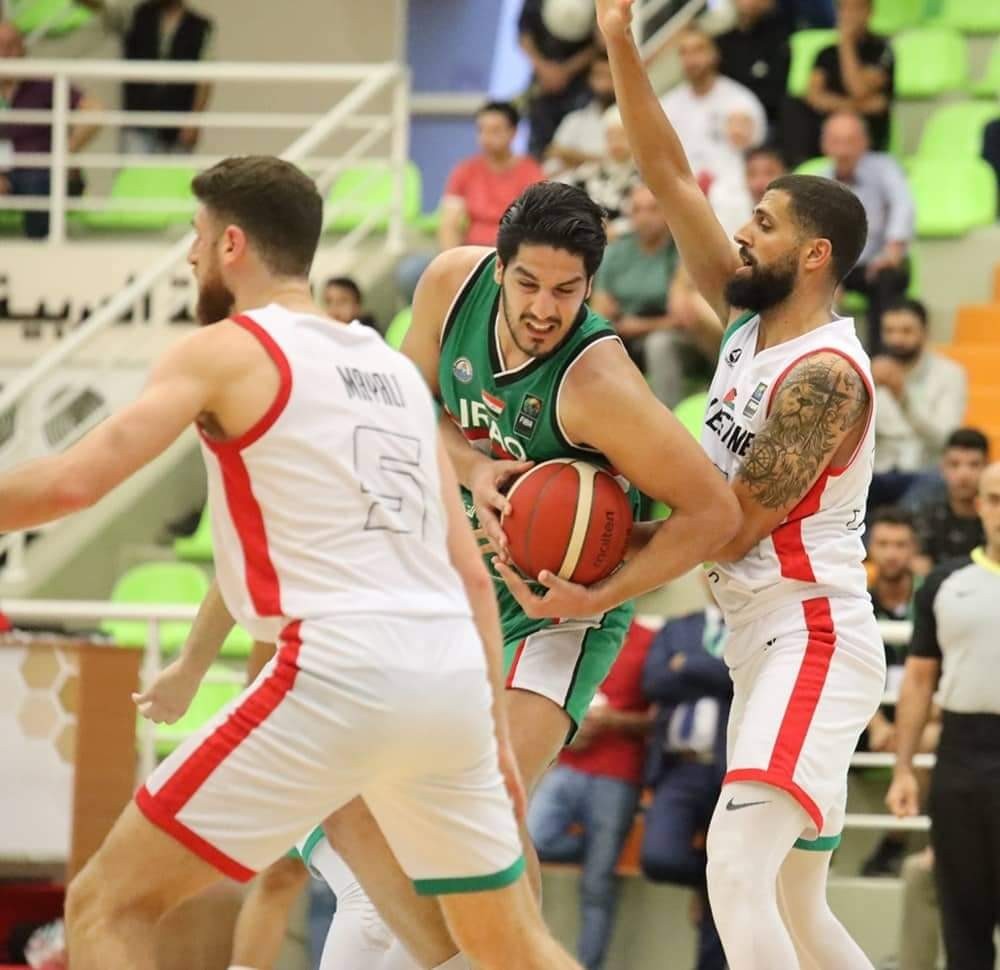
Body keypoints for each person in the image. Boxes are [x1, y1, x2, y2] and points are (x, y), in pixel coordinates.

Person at [0, 154, 583, 970]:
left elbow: (72, 483)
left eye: (197, 237)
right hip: (448, 674)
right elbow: (469, 576)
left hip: (339, 668)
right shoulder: (390, 369)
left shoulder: (224, 350)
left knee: (107, 905)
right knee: (503, 946)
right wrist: (489, 736)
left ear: (232, 243)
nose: (190, 256)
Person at [597, 1, 883, 966]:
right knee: (800, 908)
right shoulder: (747, 321)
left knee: (734, 868)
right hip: (759, 637)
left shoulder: (824, 377)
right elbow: (670, 174)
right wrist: (622, 43)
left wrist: (600, 578)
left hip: (810, 632)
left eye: (763, 223)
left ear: (814, 255)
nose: (742, 232)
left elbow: (729, 526)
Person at [887, 462, 1000, 970]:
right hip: (961, 755)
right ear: (978, 505)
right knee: (963, 915)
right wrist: (904, 768)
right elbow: (918, 680)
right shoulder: (944, 583)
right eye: (994, 499)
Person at [528, 622, 654, 970]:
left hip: (619, 774)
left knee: (597, 887)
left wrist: (614, 722)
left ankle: (589, 965)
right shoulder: (576, 628)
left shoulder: (650, 642)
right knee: (531, 841)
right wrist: (567, 728)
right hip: (568, 766)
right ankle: (600, 852)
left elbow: (662, 716)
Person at [640, 590, 730, 970]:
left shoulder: (754, 626)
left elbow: (745, 679)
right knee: (659, 858)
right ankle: (708, 881)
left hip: (732, 770)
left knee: (726, 883)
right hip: (679, 769)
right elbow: (654, 682)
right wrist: (716, 672)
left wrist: (687, 665)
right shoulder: (678, 627)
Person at [818, 112, 913, 353]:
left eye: (850, 141)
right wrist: (829, 272)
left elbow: (903, 205)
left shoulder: (885, 168)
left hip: (878, 260)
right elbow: (812, 229)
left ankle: (881, 357)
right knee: (810, 283)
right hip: (836, 264)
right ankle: (824, 356)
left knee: (887, 278)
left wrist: (893, 250)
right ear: (825, 145)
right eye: (836, 141)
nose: (843, 150)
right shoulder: (819, 179)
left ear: (864, 142)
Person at [0, 22, 102, 238]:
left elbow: (94, 110)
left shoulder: (44, 84)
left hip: (39, 170)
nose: (5, 53)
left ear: (23, 49)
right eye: (0, 46)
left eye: (11, 46)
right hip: (5, 171)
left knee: (39, 181)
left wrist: (67, 151)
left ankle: (41, 246)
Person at [589, 182, 685, 405]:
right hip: (625, 333)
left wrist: (638, 325)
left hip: (674, 336)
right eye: (637, 210)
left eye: (652, 209)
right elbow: (599, 311)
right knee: (598, 340)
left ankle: (666, 417)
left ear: (667, 212)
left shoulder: (679, 252)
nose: (644, 217)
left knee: (659, 344)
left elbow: (684, 318)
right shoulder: (615, 252)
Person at [80, 0, 214, 154]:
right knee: (134, 168)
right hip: (137, 122)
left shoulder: (201, 26)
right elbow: (105, 10)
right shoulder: (136, 14)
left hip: (177, 123)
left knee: (175, 169)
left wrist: (194, 120)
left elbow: (205, 79)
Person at [870, 299, 968, 510]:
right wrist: (863, 396)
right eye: (890, 331)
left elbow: (945, 438)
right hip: (875, 470)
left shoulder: (950, 374)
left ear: (925, 332)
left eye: (906, 331)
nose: (896, 339)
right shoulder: (870, 370)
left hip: (923, 470)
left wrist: (902, 398)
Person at [784, 0, 894, 166]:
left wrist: (846, 44)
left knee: (853, 121)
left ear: (869, 12)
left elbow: (858, 89)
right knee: (792, 105)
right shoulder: (825, 53)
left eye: (855, 9)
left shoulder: (881, 49)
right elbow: (814, 96)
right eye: (843, 10)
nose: (848, 16)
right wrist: (857, 105)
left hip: (866, 125)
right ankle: (798, 164)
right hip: (828, 122)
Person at [658, 26, 767, 193]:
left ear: (714, 54)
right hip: (681, 190)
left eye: (698, 50)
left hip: (731, 190)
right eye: (684, 52)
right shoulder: (667, 104)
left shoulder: (740, 101)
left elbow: (753, 153)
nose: (691, 59)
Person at [438, 102, 545, 252]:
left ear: (513, 132)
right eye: (481, 130)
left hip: (514, 254)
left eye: (495, 130)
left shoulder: (531, 172)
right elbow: (449, 223)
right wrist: (451, 257)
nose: (486, 137)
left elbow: (538, 227)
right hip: (472, 252)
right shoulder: (465, 170)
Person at [518, 0, 598, 158]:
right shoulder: (534, 5)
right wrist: (543, 68)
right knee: (538, 145)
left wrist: (566, 71)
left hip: (580, 82)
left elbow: (600, 41)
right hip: (543, 81)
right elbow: (524, 32)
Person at [913, 428, 989, 574]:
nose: (964, 474)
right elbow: (921, 574)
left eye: (974, 465)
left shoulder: (995, 518)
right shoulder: (926, 517)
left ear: (986, 467)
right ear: (942, 468)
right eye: (954, 464)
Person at [559, 105, 638, 237]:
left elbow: (648, 216)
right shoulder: (588, 172)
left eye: (622, 136)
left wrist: (618, 229)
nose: (616, 143)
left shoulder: (643, 176)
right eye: (610, 137)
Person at [715, 0, 792, 127]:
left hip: (772, 118)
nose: (747, 2)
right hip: (732, 118)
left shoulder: (780, 34)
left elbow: (779, 89)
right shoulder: (722, 43)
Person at [546, 50, 617, 175]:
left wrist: (571, 156)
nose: (604, 82)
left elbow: (619, 161)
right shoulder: (574, 119)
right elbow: (553, 154)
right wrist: (595, 159)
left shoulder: (632, 119)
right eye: (599, 75)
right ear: (590, 79)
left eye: (610, 76)